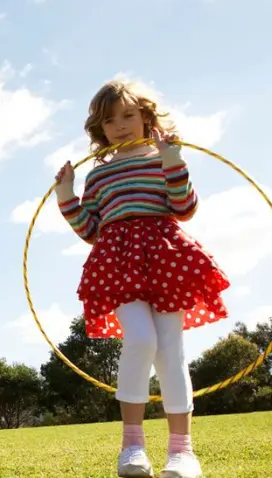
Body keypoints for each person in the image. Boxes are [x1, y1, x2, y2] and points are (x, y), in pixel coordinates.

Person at [55, 79, 231, 478]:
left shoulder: (162, 157)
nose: (119, 126)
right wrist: (66, 194)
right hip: (117, 260)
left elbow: (184, 208)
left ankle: (182, 453)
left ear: (146, 117)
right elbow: (90, 230)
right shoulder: (98, 176)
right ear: (99, 130)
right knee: (140, 338)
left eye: (128, 116)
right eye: (109, 121)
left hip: (166, 257)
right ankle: (131, 447)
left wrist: (172, 161)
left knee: (171, 351)